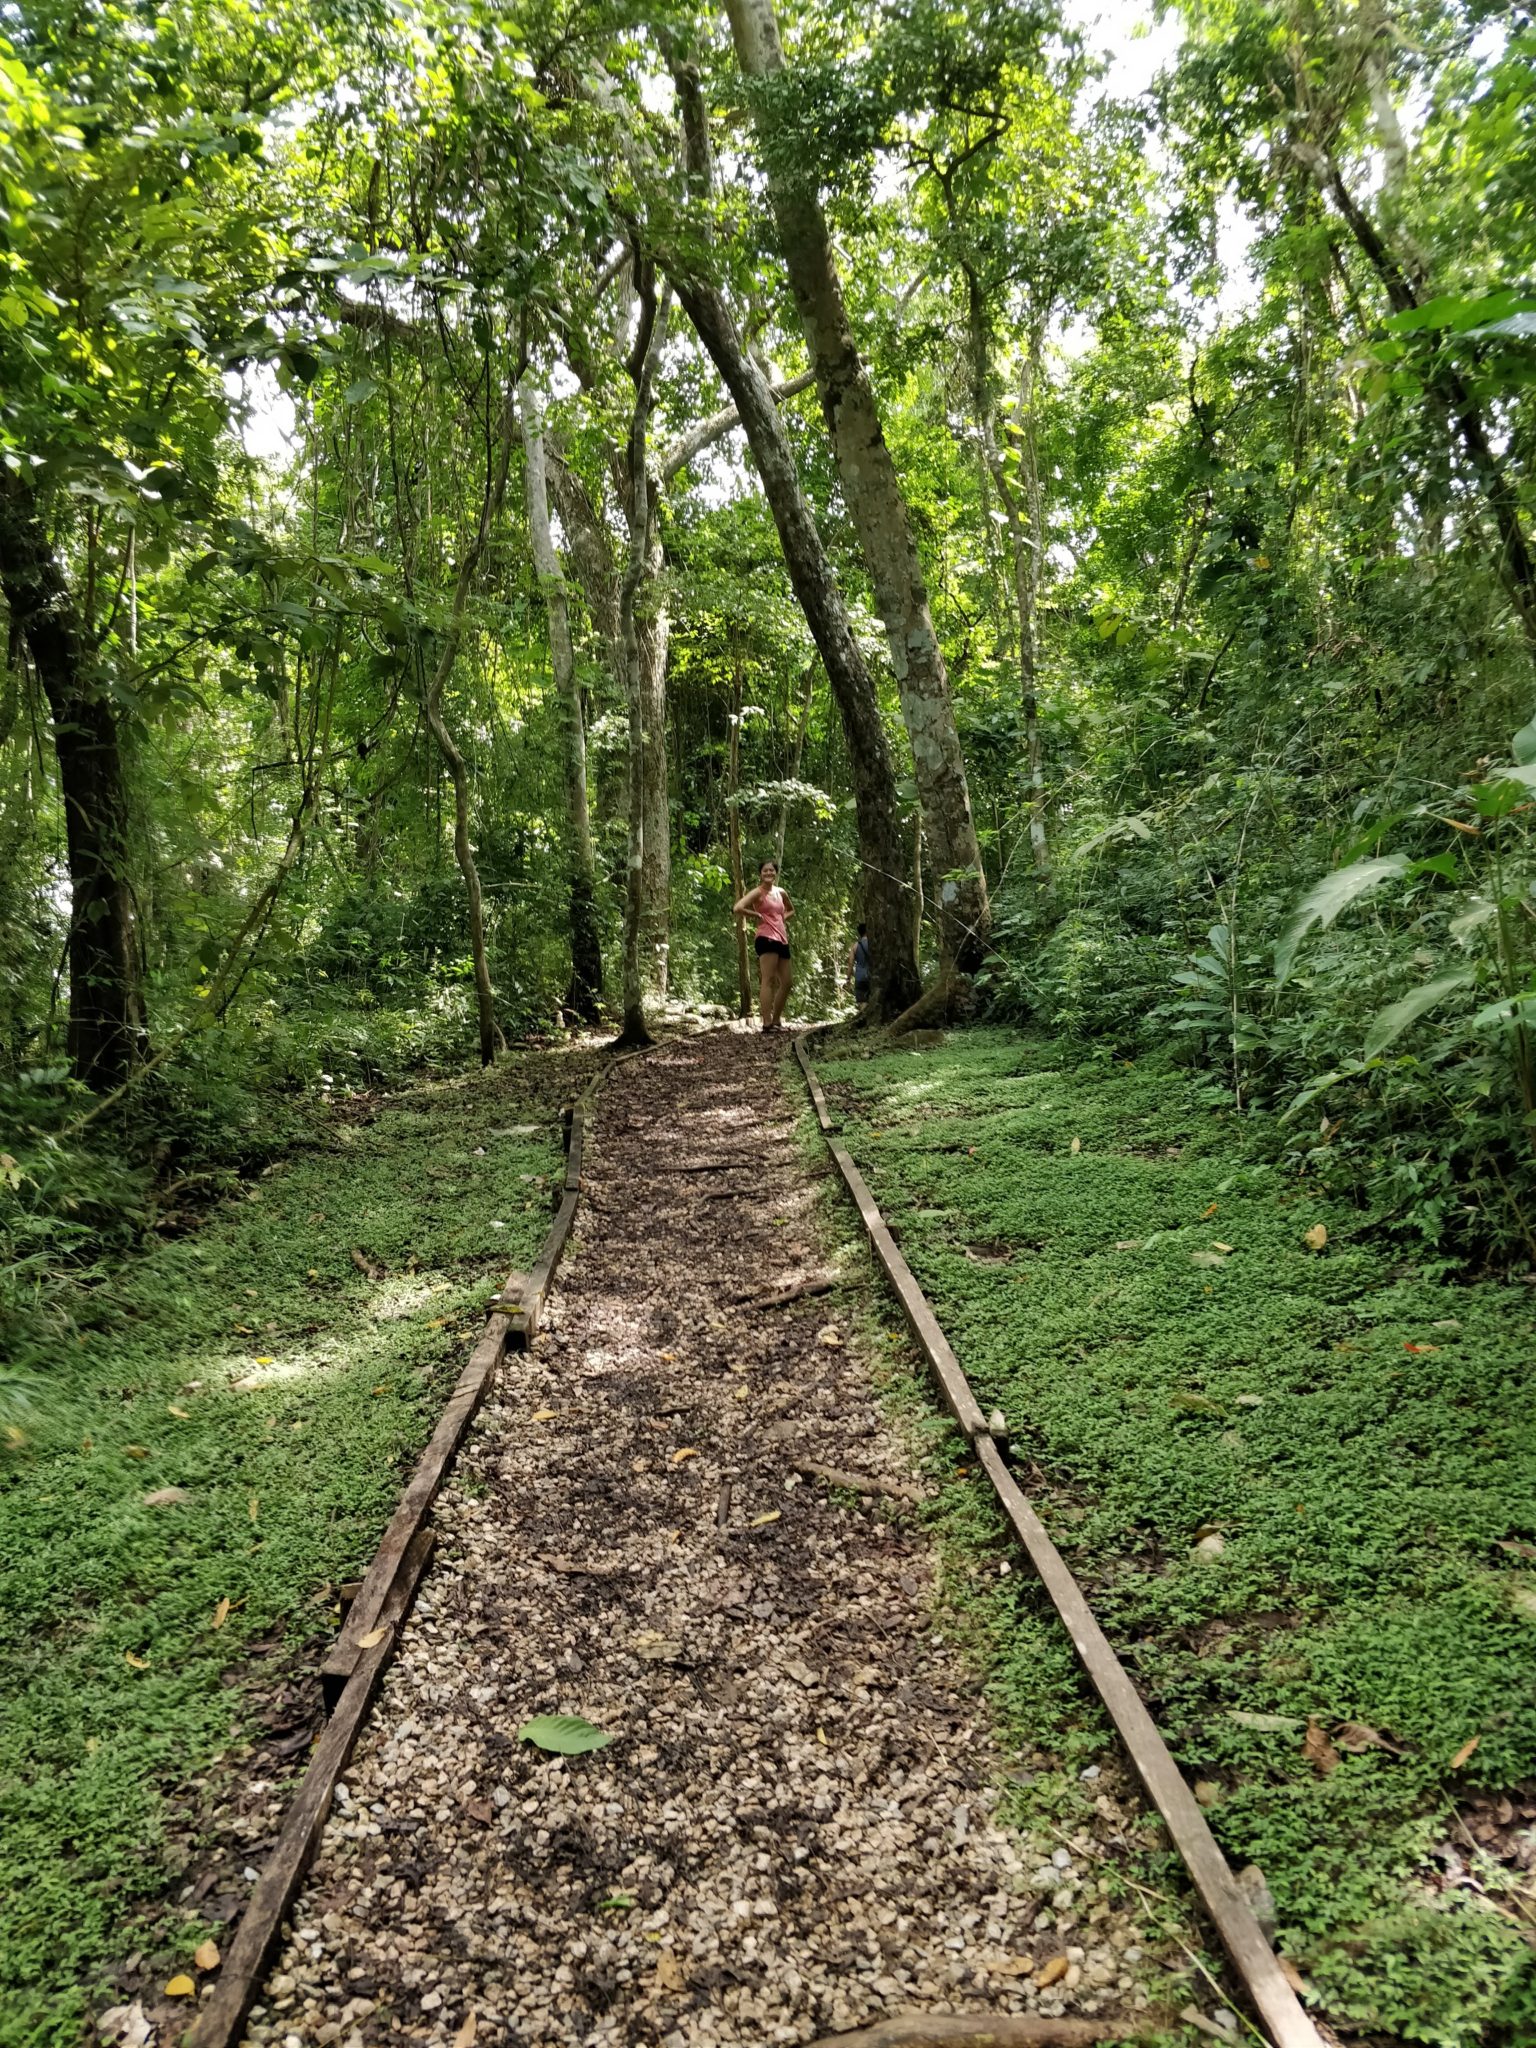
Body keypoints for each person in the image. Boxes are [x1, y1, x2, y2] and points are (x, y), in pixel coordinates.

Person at [733, 858, 795, 1032]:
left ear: (776, 873)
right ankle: (767, 1023)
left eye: (771, 870)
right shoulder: (758, 892)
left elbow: (791, 910)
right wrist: (756, 915)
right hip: (766, 938)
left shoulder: (781, 892)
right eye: (765, 870)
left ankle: (776, 1020)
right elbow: (738, 907)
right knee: (768, 980)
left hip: (781, 938)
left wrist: (781, 919)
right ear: (760, 874)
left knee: (787, 982)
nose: (768, 873)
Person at [849, 922, 870, 1010]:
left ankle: (864, 1014)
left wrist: (848, 978)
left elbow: (850, 963)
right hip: (871, 976)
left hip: (860, 977)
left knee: (862, 1001)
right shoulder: (873, 944)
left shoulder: (855, 946)